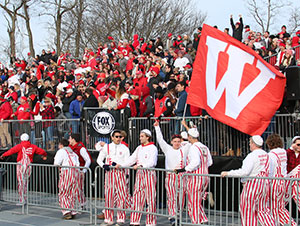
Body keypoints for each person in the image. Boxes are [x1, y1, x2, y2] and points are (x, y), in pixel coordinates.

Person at [221, 135, 275, 226]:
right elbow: (271, 171)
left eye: (250, 143)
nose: (249, 145)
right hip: (265, 185)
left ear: (254, 144)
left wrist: (229, 173)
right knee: (263, 210)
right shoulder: (267, 155)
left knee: (247, 211)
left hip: (252, 185)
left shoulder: (252, 156)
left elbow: (244, 172)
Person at [116, 129, 158, 226]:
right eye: (140, 136)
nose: (140, 138)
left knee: (150, 198)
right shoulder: (139, 148)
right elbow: (132, 159)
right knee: (137, 197)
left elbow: (153, 162)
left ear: (148, 137)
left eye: (142, 136)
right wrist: (121, 165)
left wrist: (142, 166)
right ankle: (135, 221)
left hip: (149, 174)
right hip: (139, 174)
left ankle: (151, 222)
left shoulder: (153, 148)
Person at [154, 121, 188, 226]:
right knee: (172, 197)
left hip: (182, 176)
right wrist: (157, 127)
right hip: (170, 176)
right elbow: (160, 139)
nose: (177, 143)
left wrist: (188, 127)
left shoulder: (185, 149)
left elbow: (192, 140)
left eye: (178, 141)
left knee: (181, 198)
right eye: (175, 141)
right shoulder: (167, 149)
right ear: (172, 142)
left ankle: (179, 216)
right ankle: (172, 216)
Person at [177, 125, 213, 224]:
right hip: (205, 176)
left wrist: (185, 169)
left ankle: (195, 221)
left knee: (192, 202)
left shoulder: (194, 147)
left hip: (196, 178)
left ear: (189, 137)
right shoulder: (204, 147)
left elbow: (195, 162)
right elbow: (210, 162)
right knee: (197, 201)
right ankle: (203, 219)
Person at [0, 133, 47, 205]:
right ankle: (24, 198)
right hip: (28, 166)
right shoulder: (33, 146)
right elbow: (42, 151)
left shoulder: (20, 146)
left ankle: (22, 199)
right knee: (25, 183)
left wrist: (3, 155)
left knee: (21, 183)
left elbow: (11, 151)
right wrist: (44, 156)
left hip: (21, 166)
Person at [96, 130, 130, 226]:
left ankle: (121, 219)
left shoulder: (125, 148)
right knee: (109, 196)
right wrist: (103, 165)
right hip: (110, 173)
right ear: (112, 137)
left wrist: (126, 172)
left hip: (121, 173)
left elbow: (128, 161)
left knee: (121, 196)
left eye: (120, 136)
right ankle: (108, 219)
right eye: (116, 136)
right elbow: (99, 159)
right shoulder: (107, 147)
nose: (118, 138)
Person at [266, 134, 296, 226]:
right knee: (278, 207)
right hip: (283, 181)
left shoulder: (270, 155)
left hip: (274, 182)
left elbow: (270, 170)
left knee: (276, 208)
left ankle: (291, 224)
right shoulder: (283, 152)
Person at [54, 138, 79, 220]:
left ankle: (66, 211)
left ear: (61, 145)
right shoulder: (73, 153)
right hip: (75, 172)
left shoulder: (61, 151)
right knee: (72, 192)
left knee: (64, 192)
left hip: (66, 172)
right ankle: (73, 210)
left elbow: (56, 163)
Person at [68, 133, 91, 209]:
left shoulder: (81, 148)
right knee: (72, 188)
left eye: (70, 138)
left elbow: (88, 160)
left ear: (73, 140)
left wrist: (83, 171)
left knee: (79, 189)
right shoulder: (69, 147)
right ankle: (73, 205)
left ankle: (82, 205)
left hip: (79, 171)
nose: (69, 140)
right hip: (72, 171)